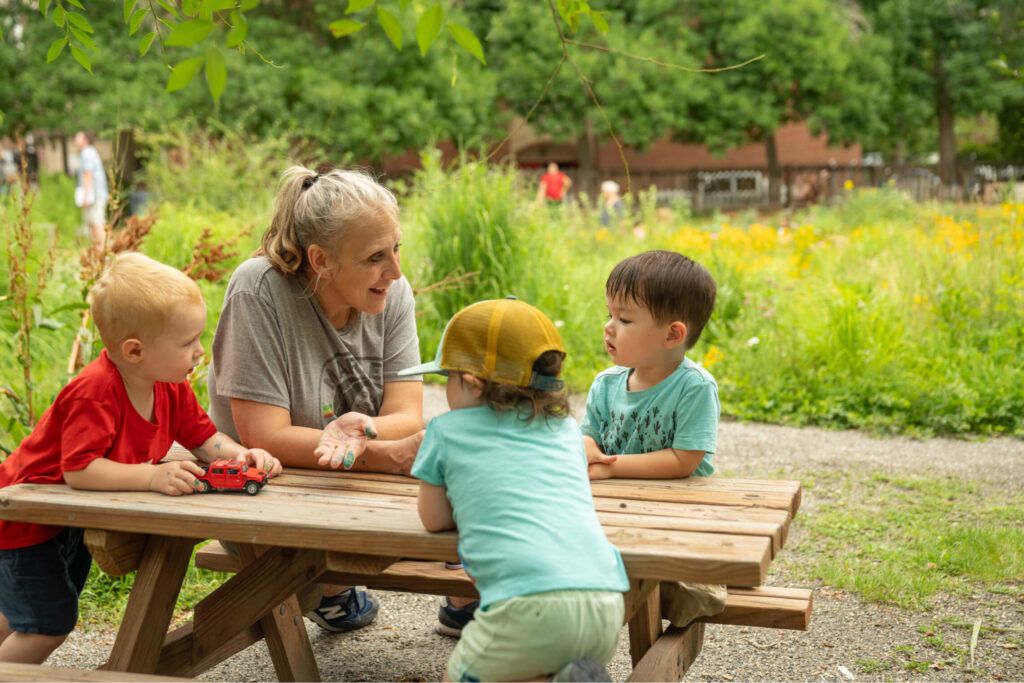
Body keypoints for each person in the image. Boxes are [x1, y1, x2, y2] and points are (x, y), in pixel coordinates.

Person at [0, 252, 282, 665]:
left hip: (65, 519)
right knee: (46, 621)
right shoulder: (95, 393)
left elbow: (204, 439)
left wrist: (245, 456)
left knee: (18, 612)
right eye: (187, 343)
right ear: (135, 351)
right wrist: (151, 477)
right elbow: (80, 469)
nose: (199, 352)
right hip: (21, 518)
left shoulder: (170, 385)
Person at [207, 165, 425, 634]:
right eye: (374, 258)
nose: (396, 271)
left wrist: (362, 433)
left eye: (396, 249)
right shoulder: (257, 290)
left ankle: (462, 601)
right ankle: (324, 587)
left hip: (345, 484)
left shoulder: (394, 291)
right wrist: (382, 456)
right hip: (268, 492)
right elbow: (265, 436)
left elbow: (407, 414)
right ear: (320, 259)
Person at [401, 298, 628, 682]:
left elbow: (434, 518)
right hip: (604, 603)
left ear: (471, 383)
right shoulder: (567, 431)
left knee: (459, 677)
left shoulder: (446, 430)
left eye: (447, 379)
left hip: (527, 606)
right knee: (532, 669)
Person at [580, 249, 727, 628]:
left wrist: (611, 469)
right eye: (609, 314)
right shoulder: (605, 385)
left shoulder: (693, 387)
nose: (609, 327)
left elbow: (685, 459)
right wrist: (587, 451)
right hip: (615, 517)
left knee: (687, 591)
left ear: (673, 334)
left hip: (675, 518)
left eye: (624, 319)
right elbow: (585, 439)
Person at [74, 131, 109, 251]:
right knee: (92, 225)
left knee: (97, 224)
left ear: (85, 140)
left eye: (78, 137)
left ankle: (105, 253)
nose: (75, 139)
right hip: (95, 195)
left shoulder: (87, 153)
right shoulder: (88, 152)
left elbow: (88, 174)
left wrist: (85, 197)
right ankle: (98, 252)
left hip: (95, 196)